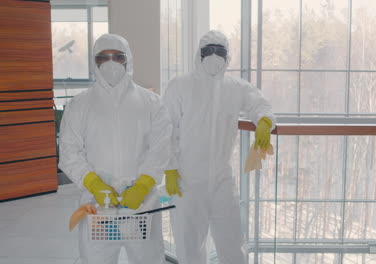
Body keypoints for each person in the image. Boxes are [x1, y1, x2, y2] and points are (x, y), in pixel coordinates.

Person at [163, 30, 275, 264]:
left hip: (223, 178)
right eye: (208, 51)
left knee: (232, 241)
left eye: (220, 51)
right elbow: (167, 130)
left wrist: (264, 121)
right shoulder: (180, 86)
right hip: (187, 179)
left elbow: (259, 103)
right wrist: (170, 168)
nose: (214, 56)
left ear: (228, 56)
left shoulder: (235, 87)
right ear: (199, 54)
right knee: (189, 244)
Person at [59, 34, 172, 264]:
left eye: (118, 57)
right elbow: (70, 151)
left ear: (128, 60)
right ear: (95, 62)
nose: (111, 63)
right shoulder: (79, 105)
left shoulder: (151, 102)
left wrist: (144, 184)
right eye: (103, 57)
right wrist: (93, 183)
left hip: (140, 205)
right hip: (98, 206)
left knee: (147, 258)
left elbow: (161, 147)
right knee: (97, 258)